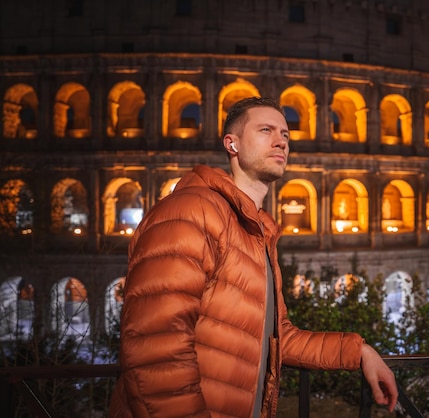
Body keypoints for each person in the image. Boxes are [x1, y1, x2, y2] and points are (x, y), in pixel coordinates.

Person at [109, 97, 398, 417]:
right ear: (231, 144)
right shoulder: (191, 211)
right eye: (266, 130)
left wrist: (359, 352)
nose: (281, 141)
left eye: (286, 134)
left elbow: (275, 337)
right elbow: (156, 349)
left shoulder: (255, 230)